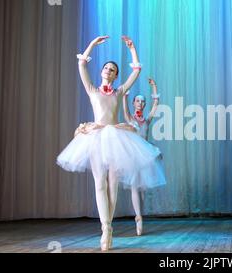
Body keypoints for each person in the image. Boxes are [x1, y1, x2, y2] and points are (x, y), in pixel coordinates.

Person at [57, 35, 162, 251]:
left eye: (112, 69)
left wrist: (132, 49)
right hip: (96, 136)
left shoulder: (119, 91)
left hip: (115, 136)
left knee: (112, 185)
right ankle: (105, 228)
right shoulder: (92, 90)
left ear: (115, 76)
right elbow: (81, 64)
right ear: (101, 71)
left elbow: (136, 71)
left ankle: (109, 226)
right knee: (99, 183)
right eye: (106, 67)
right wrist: (92, 45)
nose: (108, 70)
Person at [122, 78, 166, 236]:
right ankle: (138, 217)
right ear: (134, 103)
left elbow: (156, 105)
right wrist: (126, 94)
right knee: (134, 186)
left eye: (142, 101)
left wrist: (154, 87)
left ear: (144, 104)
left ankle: (140, 216)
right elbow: (124, 105)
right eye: (138, 100)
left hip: (146, 154)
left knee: (141, 190)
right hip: (133, 155)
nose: (140, 103)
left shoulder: (147, 119)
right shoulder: (130, 118)